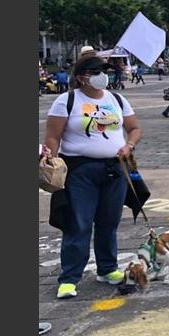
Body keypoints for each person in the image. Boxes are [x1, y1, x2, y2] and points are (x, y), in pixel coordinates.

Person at [43, 52, 143, 299]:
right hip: (80, 171)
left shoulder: (117, 99)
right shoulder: (66, 101)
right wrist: (51, 161)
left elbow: (134, 128)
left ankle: (107, 269)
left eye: (104, 72)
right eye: (96, 72)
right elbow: (53, 136)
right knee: (79, 222)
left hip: (115, 168)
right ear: (81, 78)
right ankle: (69, 278)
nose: (102, 76)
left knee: (109, 222)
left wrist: (129, 146)